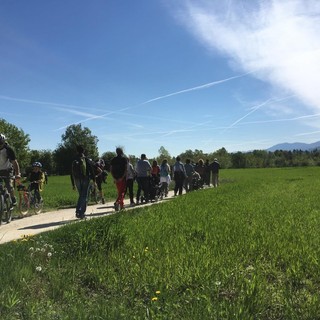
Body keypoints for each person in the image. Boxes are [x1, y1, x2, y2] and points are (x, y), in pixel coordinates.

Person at [70, 145, 96, 219]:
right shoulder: (86, 159)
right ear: (83, 151)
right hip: (85, 178)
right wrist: (94, 180)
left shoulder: (74, 159)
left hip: (77, 179)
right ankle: (80, 212)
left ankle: (79, 212)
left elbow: (71, 172)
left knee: (81, 195)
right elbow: (91, 170)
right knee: (84, 196)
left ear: (77, 151)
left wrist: (73, 183)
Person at [0, 133, 21, 206]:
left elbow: (14, 162)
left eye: (0, 143)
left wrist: (18, 174)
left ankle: (12, 198)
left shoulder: (8, 149)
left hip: (7, 169)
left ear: (3, 141)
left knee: (8, 185)